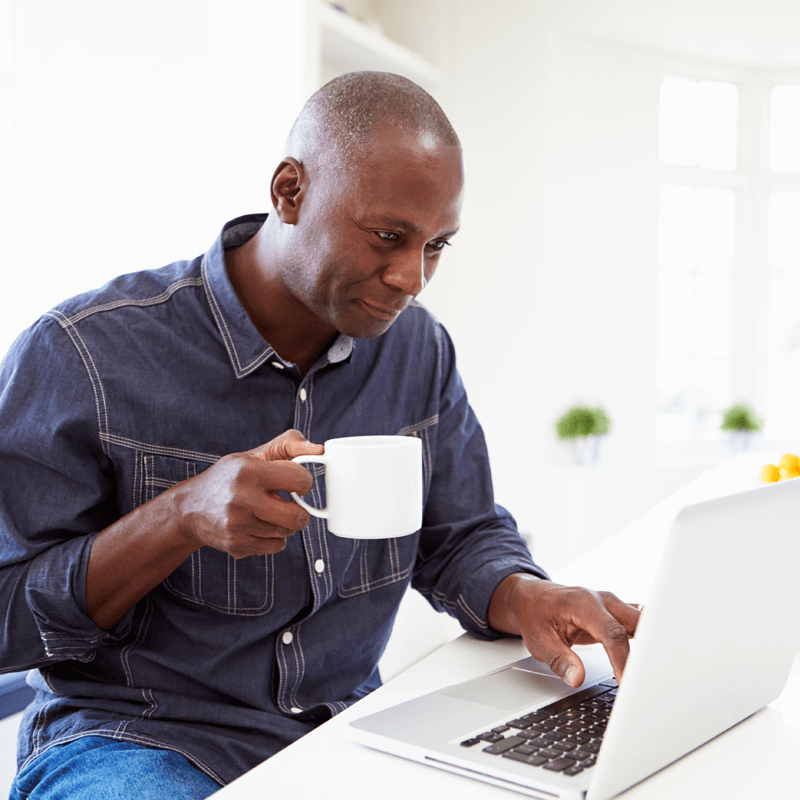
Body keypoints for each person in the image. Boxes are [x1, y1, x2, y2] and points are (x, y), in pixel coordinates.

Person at [0, 71, 639, 799]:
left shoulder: (416, 352)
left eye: (437, 246)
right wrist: (178, 518)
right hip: (138, 745)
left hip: (347, 734)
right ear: (289, 192)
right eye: (389, 237)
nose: (412, 278)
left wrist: (524, 593)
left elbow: (460, 534)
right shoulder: (82, 353)